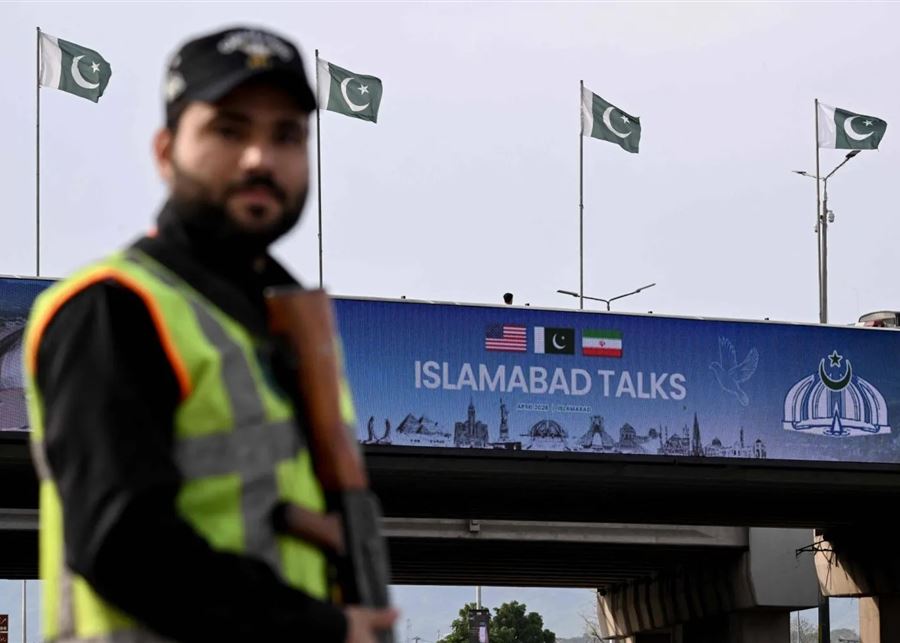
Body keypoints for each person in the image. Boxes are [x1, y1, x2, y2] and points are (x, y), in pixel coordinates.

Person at [24, 26, 396, 643]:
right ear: (165, 151)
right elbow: (124, 545)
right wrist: (321, 628)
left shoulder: (281, 328)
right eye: (229, 130)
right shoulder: (114, 308)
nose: (259, 159)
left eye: (286, 136)